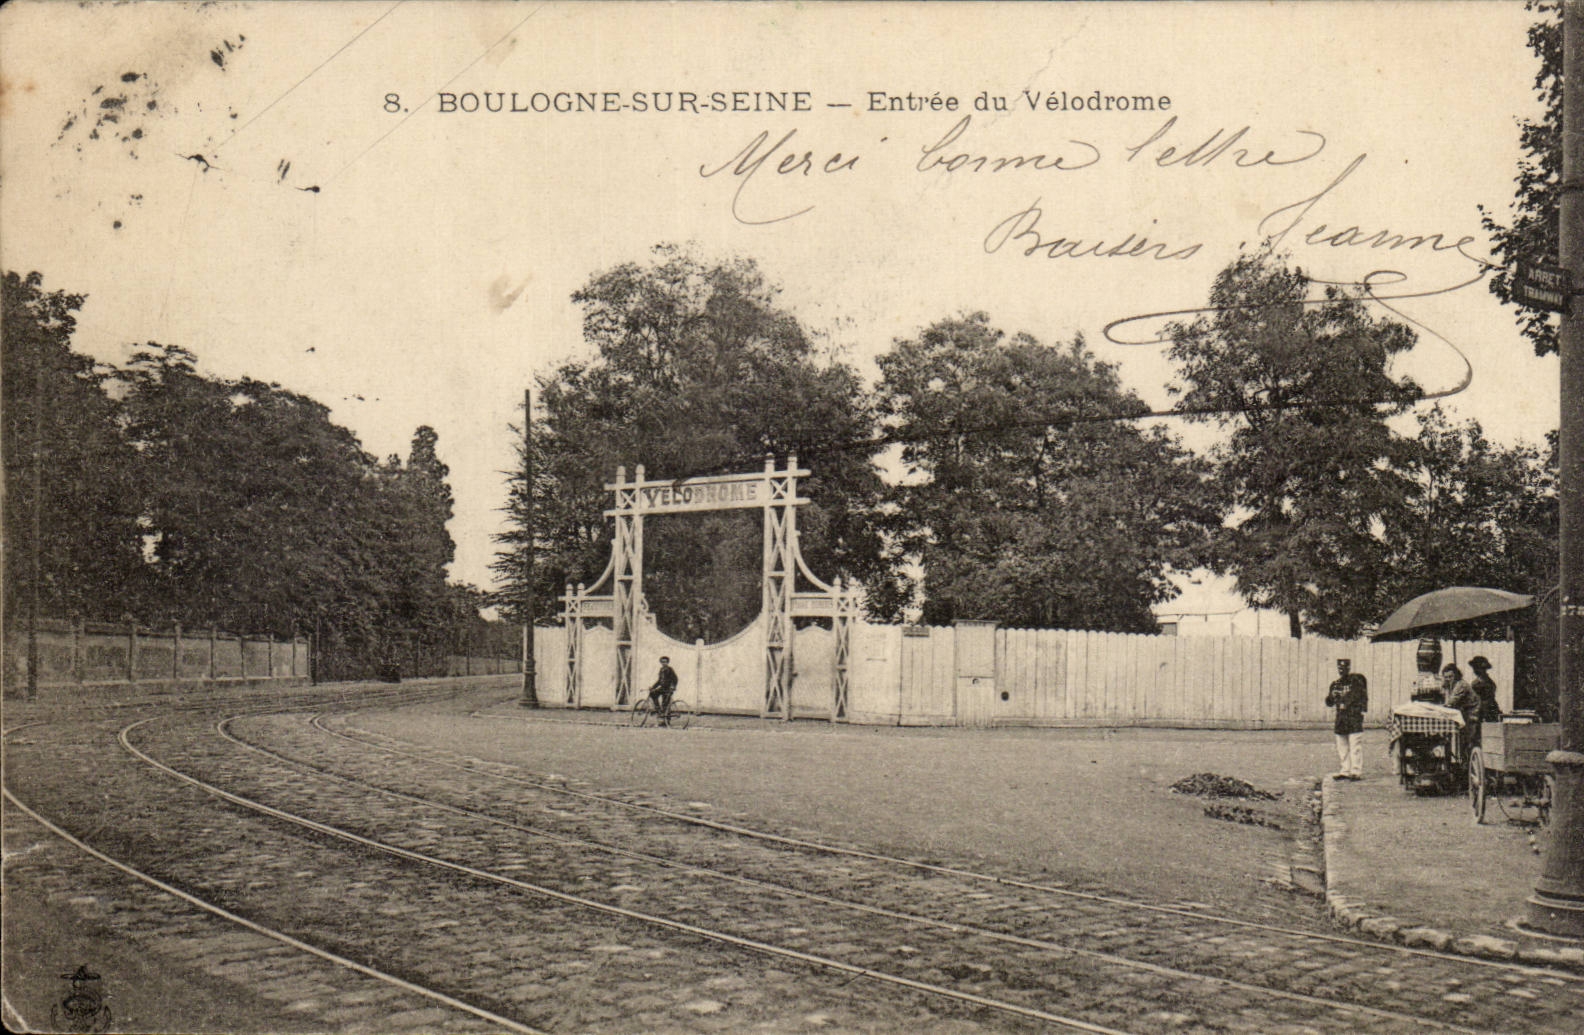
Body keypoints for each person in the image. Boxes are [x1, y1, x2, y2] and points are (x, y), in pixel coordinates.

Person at [1325, 658, 1369, 780]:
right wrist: (1332, 696)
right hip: (1341, 718)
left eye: (1344, 668)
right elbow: (1329, 702)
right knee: (1342, 746)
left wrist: (1346, 701)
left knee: (1355, 746)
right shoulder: (1335, 684)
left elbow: (1360, 698)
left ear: (1349, 668)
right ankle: (1345, 770)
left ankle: (1355, 771)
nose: (1342, 670)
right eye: (1340, 668)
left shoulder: (1356, 683)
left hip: (1353, 717)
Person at [646, 656, 678, 723]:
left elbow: (675, 679)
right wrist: (653, 687)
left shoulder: (670, 669)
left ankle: (667, 721)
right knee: (652, 693)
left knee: (665, 704)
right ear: (661, 662)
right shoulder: (661, 670)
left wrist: (673, 687)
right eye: (662, 662)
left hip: (668, 689)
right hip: (662, 688)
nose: (664, 663)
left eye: (665, 662)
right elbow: (659, 681)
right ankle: (658, 710)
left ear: (668, 662)